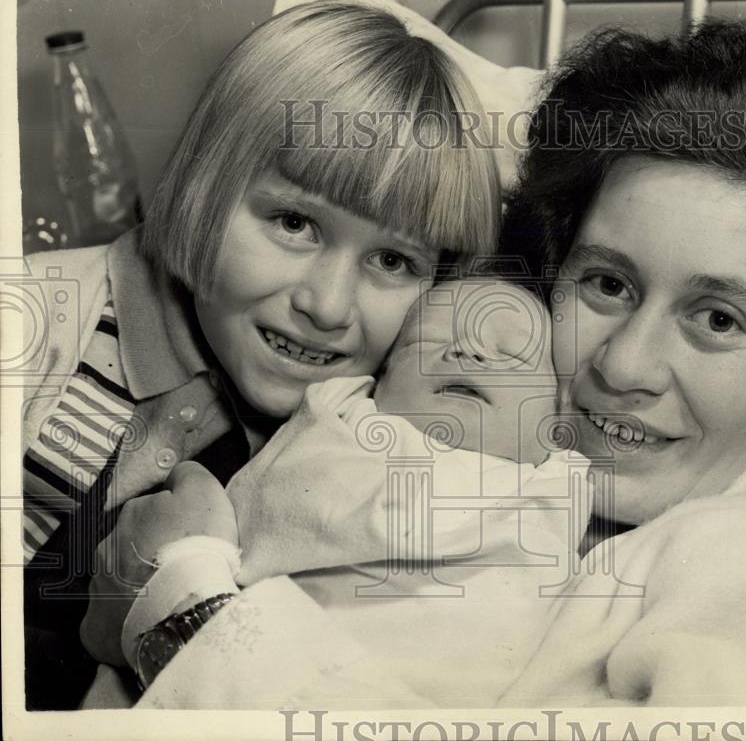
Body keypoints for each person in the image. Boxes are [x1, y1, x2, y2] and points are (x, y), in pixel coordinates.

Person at [82, 17, 746, 708]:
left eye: (718, 319)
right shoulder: (473, 439)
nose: (626, 365)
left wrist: (187, 610)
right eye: (607, 283)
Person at [21, 0, 501, 709]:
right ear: (205, 185)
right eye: (294, 222)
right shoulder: (42, 318)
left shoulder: (374, 428)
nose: (328, 306)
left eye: (394, 261)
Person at [98, 279, 593, 707]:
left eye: (509, 353)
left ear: (555, 420)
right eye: (427, 342)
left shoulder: (546, 488)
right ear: (379, 384)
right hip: (236, 649)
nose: (465, 352)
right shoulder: (341, 424)